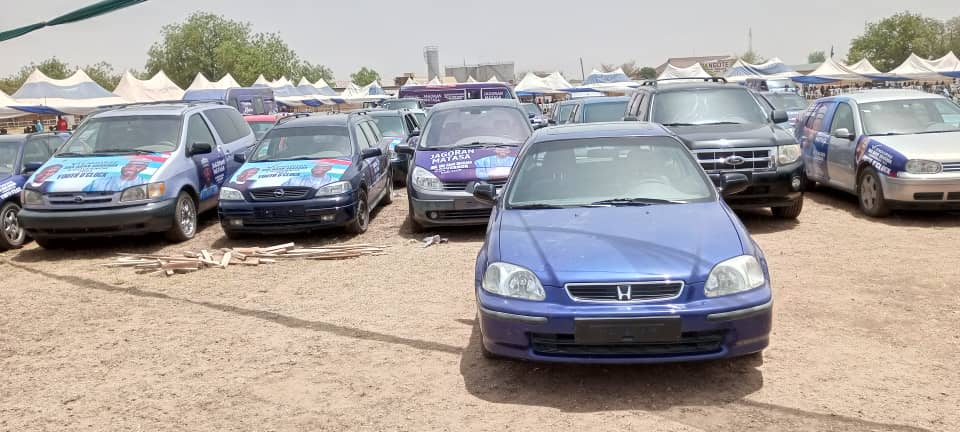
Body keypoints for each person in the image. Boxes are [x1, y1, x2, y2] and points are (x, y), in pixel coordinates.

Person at [83, 159, 150, 192]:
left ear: (143, 169)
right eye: (129, 165)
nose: (132, 168)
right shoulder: (98, 182)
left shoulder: (146, 183)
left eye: (138, 166)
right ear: (123, 167)